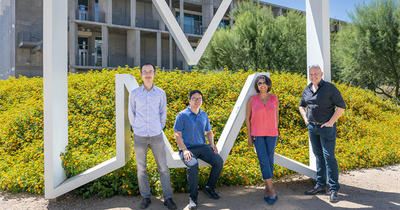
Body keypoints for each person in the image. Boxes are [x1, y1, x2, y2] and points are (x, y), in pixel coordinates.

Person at [129, 63, 177, 210]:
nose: (148, 74)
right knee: (141, 168)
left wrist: (160, 126)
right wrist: (136, 127)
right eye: (145, 72)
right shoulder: (135, 93)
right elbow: (131, 113)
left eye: (150, 71)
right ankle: (145, 197)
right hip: (140, 136)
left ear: (155, 74)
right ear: (141, 75)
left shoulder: (160, 93)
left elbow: (163, 112)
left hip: (156, 135)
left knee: (163, 168)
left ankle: (168, 198)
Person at [299, 65, 346, 203]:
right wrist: (306, 119)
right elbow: (301, 105)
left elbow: (341, 107)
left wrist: (331, 122)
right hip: (313, 128)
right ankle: (320, 185)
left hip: (327, 128)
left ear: (322, 74)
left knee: (329, 157)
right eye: (311, 74)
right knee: (318, 156)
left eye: (316, 74)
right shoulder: (307, 89)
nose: (313, 76)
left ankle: (333, 189)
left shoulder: (330, 88)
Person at [173, 90, 224, 210]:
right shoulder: (182, 115)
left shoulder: (203, 114)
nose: (197, 101)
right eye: (194, 98)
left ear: (202, 101)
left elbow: (209, 131)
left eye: (199, 99)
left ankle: (209, 188)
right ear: (189, 100)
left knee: (218, 162)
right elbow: (176, 134)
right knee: (193, 165)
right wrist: (184, 150)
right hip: (187, 148)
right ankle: (193, 198)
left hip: (203, 147)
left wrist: (212, 144)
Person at [245, 75, 279, 204]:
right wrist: (249, 137)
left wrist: (276, 131)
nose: (262, 85)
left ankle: (266, 187)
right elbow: (247, 119)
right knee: (264, 161)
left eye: (264, 83)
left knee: (269, 161)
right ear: (257, 86)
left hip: (272, 134)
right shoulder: (252, 99)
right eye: (259, 83)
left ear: (268, 85)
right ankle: (271, 190)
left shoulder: (275, 98)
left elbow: (277, 116)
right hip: (257, 135)